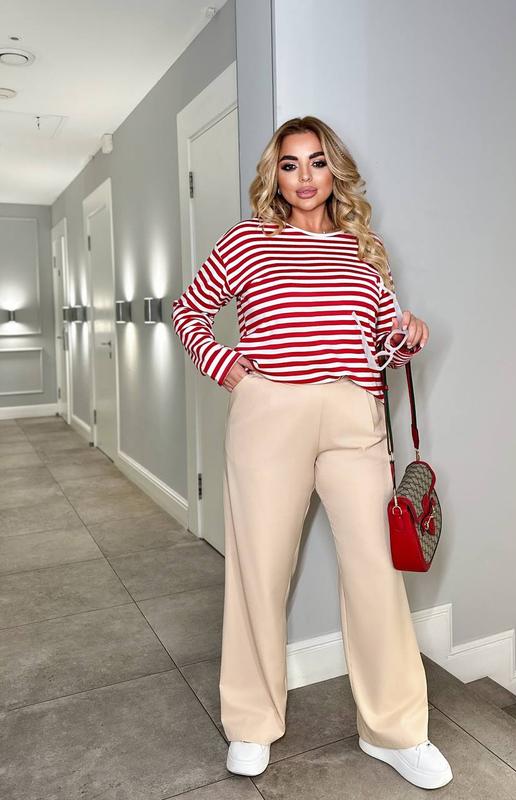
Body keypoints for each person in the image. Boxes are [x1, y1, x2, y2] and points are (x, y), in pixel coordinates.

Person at [171, 116, 452, 790]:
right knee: (259, 571)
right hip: (271, 414)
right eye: (290, 163)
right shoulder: (247, 240)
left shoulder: (364, 247)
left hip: (354, 414)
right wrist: (231, 371)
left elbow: (377, 347)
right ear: (275, 174)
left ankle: (395, 730)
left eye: (317, 162)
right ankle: (251, 723)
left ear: (334, 171)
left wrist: (406, 337)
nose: (304, 176)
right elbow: (188, 312)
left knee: (376, 571)